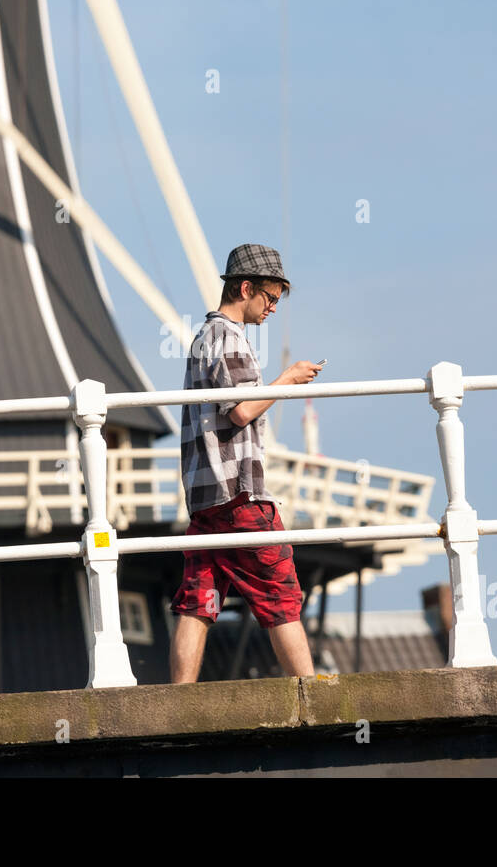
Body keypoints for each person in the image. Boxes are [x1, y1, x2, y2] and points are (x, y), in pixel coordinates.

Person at [169, 243, 322, 683]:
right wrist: (287, 380)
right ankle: (315, 696)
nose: (273, 307)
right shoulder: (229, 338)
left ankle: (177, 704)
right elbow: (241, 410)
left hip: (203, 499)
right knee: (281, 592)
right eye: (269, 297)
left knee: (199, 600)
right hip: (238, 493)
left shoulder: (201, 338)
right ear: (245, 287)